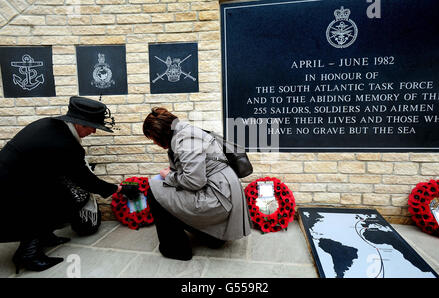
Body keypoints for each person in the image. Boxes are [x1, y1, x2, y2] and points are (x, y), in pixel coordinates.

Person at [0, 96, 139, 273]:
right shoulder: (66, 143)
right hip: (10, 188)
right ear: (80, 123)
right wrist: (119, 188)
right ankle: (28, 254)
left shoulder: (50, 125)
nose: (94, 132)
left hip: (16, 177)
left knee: (60, 193)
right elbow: (86, 180)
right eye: (93, 127)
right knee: (58, 199)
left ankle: (44, 236)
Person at [143, 107, 252, 261]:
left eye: (152, 138)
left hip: (218, 197)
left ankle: (176, 249)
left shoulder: (186, 141)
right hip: (223, 191)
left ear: (159, 134)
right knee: (166, 190)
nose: (154, 142)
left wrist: (170, 176)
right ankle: (213, 238)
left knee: (154, 192)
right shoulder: (186, 131)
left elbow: (194, 182)